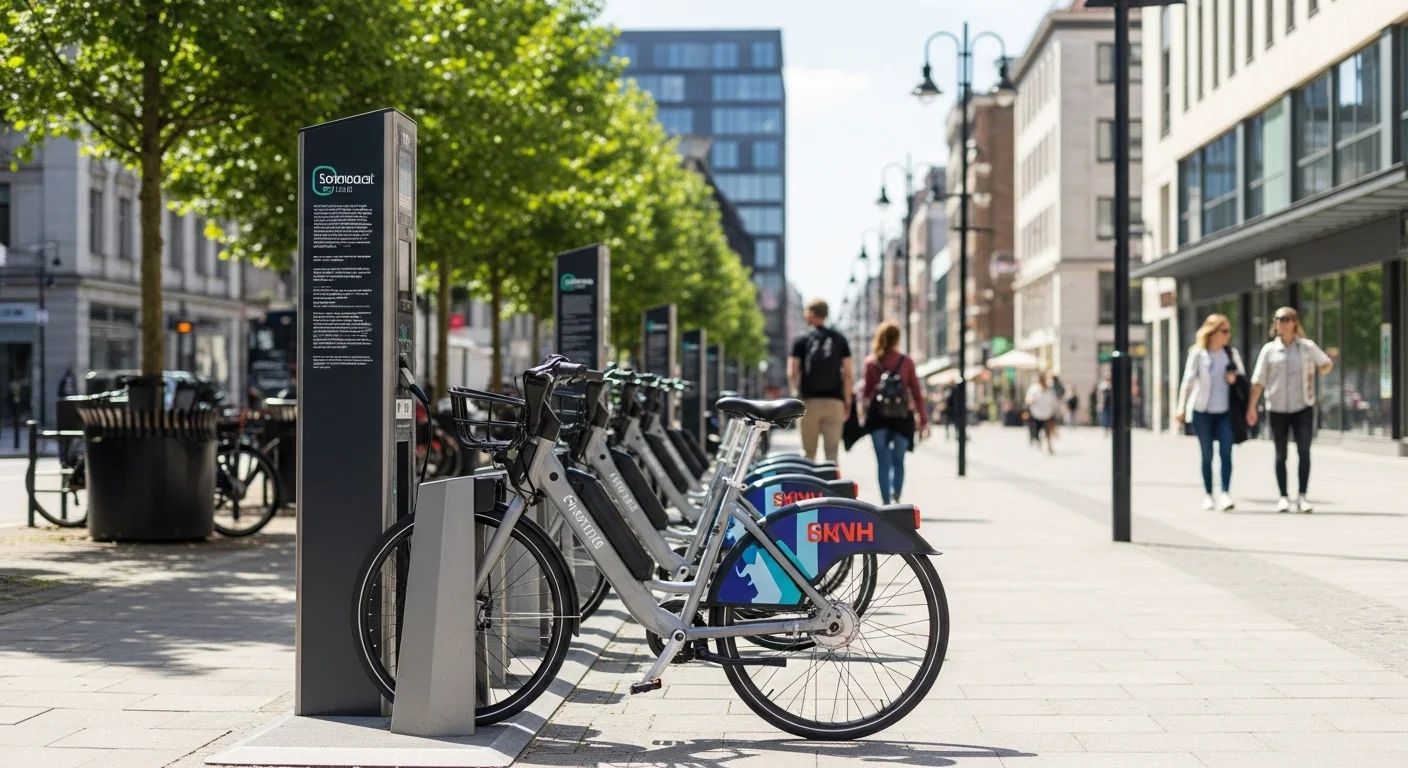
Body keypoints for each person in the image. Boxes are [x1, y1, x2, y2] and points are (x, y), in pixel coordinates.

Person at [1248, 306, 1333, 513]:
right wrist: (1251, 407)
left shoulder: (1306, 347)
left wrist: (1321, 369)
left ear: (1294, 322)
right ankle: (1283, 496)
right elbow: (1258, 381)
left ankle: (1302, 496)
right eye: (1277, 319)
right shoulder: (1269, 350)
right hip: (1276, 407)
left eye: (1285, 319)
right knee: (1280, 454)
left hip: (1303, 406)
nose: (1281, 323)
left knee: (1304, 451)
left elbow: (1326, 364)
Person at [1175, 313, 1246, 511]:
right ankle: (1208, 494)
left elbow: (1243, 379)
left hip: (1225, 412)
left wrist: (1234, 380)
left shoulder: (1230, 354)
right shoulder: (1198, 353)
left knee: (1226, 452)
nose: (1227, 335)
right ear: (1212, 332)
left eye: (1228, 331)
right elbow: (1187, 382)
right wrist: (1181, 407)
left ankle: (1225, 493)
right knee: (1206, 454)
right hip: (1202, 411)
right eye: (1224, 331)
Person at [860, 322, 928, 503]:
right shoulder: (906, 362)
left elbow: (866, 393)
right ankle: (896, 492)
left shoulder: (871, 362)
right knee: (899, 459)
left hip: (878, 416)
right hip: (902, 416)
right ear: (898, 338)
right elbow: (916, 392)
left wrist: (862, 413)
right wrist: (924, 420)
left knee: (883, 462)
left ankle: (885, 502)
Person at [788, 298, 853, 464]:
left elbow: (792, 372)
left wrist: (797, 393)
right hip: (835, 403)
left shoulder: (801, 341)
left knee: (808, 453)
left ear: (811, 313)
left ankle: (809, 489)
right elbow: (848, 374)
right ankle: (833, 487)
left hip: (809, 402)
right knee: (832, 453)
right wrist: (847, 401)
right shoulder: (839, 339)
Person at [1024, 373, 1062, 454]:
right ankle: (1037, 441)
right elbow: (1028, 399)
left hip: (1047, 414)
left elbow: (1054, 402)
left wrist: (1055, 411)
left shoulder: (1050, 390)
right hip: (1036, 414)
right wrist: (1031, 401)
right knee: (1036, 432)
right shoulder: (1034, 389)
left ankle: (1049, 447)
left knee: (1048, 432)